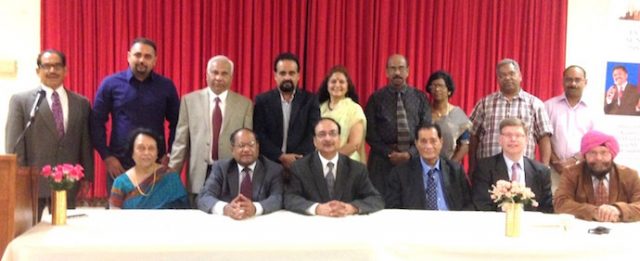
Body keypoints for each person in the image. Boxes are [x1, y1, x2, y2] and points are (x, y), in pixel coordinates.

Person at [5, 49, 93, 218]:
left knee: (64, 236)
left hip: (68, 182)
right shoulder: (21, 101)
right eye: (46, 66)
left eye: (57, 66)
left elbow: (85, 142)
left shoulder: (81, 103)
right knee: (29, 234)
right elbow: (14, 144)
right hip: (32, 183)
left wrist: (86, 175)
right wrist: (19, 178)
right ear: (38, 71)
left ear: (66, 70)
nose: (52, 70)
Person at [91, 37, 180, 192]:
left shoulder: (166, 86)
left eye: (147, 56)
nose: (141, 60)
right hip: (119, 165)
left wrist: (170, 154)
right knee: (119, 213)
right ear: (128, 56)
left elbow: (177, 123)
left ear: (155, 60)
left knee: (155, 213)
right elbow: (96, 121)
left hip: (155, 164)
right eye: (137, 55)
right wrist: (107, 157)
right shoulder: (111, 84)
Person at [169, 55, 253, 203]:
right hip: (198, 176)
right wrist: (170, 177)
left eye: (224, 73)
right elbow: (181, 143)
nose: (219, 77)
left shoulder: (245, 104)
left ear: (231, 77)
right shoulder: (189, 101)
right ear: (206, 75)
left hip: (230, 176)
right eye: (214, 72)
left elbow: (247, 146)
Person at [284, 118, 384, 216]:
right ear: (314, 141)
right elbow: (290, 198)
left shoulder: (357, 169)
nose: (328, 138)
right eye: (322, 134)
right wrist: (316, 208)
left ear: (339, 139)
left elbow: (375, 199)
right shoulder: (300, 167)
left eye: (332, 133)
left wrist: (352, 208)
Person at [469, 58, 552, 172]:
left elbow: (544, 137)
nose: (508, 78)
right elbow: (473, 136)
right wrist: (472, 167)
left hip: (522, 171)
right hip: (488, 171)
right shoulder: (484, 103)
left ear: (520, 76)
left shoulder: (535, 104)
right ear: (498, 79)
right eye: (502, 75)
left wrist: (544, 168)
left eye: (512, 74)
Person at [365, 54, 431, 196]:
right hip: (382, 161)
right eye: (393, 68)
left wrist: (410, 153)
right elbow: (370, 133)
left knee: (411, 205)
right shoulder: (376, 98)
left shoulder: (420, 98)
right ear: (386, 72)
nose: (397, 73)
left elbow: (426, 129)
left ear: (407, 71)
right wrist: (389, 154)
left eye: (401, 68)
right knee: (381, 206)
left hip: (414, 160)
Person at [253, 52, 320, 170]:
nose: (287, 77)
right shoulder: (262, 101)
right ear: (275, 75)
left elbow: (313, 132)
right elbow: (259, 133)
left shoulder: (310, 100)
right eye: (283, 73)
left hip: (301, 164)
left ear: (298, 75)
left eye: (291, 73)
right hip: (269, 164)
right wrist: (281, 156)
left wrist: (295, 158)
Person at [554, 130, 640, 222]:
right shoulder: (571, 173)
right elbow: (560, 204)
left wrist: (618, 210)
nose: (598, 158)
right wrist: (594, 211)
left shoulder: (629, 175)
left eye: (604, 153)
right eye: (592, 153)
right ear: (584, 155)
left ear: (612, 154)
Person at [197, 128, 283, 220]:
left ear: (258, 148)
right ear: (232, 149)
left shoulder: (273, 169)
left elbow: (277, 198)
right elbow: (204, 197)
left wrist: (255, 208)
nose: (246, 149)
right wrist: (226, 209)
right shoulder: (221, 168)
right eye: (241, 145)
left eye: (251, 145)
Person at [472, 118, 553, 213]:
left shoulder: (541, 171)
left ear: (526, 140)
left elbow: (546, 208)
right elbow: (482, 204)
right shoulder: (484, 168)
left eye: (518, 135)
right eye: (508, 135)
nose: (513, 139)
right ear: (500, 140)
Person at [386, 123, 473, 210]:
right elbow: (393, 209)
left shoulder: (456, 171)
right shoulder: (400, 174)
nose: (428, 146)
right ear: (416, 143)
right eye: (423, 141)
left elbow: (468, 204)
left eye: (433, 141)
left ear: (441, 142)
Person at [544, 65, 596, 193]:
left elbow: (594, 141)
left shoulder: (593, 110)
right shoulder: (548, 106)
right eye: (569, 79)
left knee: (579, 208)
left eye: (577, 80)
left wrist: (575, 160)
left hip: (583, 170)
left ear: (585, 82)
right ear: (563, 81)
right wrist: (555, 161)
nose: (573, 83)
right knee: (553, 206)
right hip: (554, 170)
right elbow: (543, 137)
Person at [109, 129, 189, 209]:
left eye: (151, 148)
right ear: (132, 152)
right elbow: (115, 217)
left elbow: (183, 211)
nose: (146, 153)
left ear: (157, 153)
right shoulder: (120, 183)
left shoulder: (170, 176)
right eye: (141, 148)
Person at [318, 65, 367, 163]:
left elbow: (354, 144)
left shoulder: (354, 109)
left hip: (347, 162)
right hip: (319, 163)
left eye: (341, 82)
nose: (337, 85)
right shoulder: (319, 108)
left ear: (347, 86)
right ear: (327, 85)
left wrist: (331, 160)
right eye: (333, 81)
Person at [425, 70, 471, 163]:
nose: (437, 89)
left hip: (448, 165)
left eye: (441, 86)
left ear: (449, 91)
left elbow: (465, 144)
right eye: (434, 86)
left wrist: (452, 164)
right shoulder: (423, 112)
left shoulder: (457, 113)